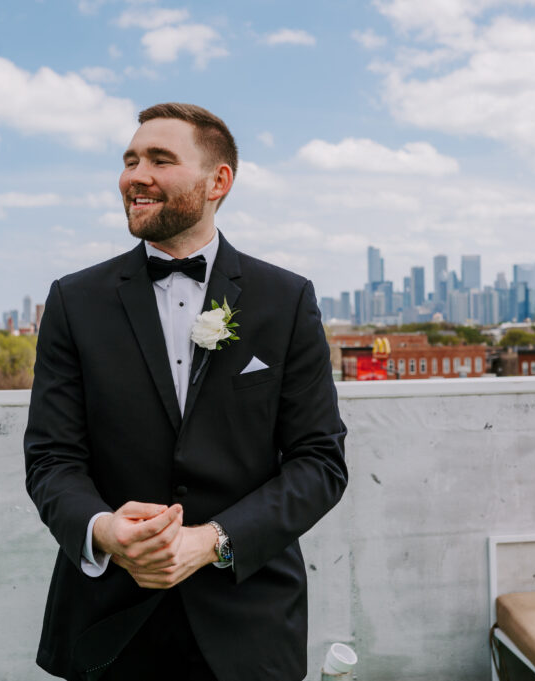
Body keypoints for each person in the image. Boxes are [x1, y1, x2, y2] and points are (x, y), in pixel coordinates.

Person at [24, 102, 348, 681]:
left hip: (249, 622)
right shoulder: (74, 302)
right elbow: (51, 458)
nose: (135, 175)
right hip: (109, 625)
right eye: (129, 160)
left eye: (160, 159)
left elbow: (319, 462)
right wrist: (104, 530)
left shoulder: (286, 299)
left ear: (217, 181)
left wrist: (213, 541)